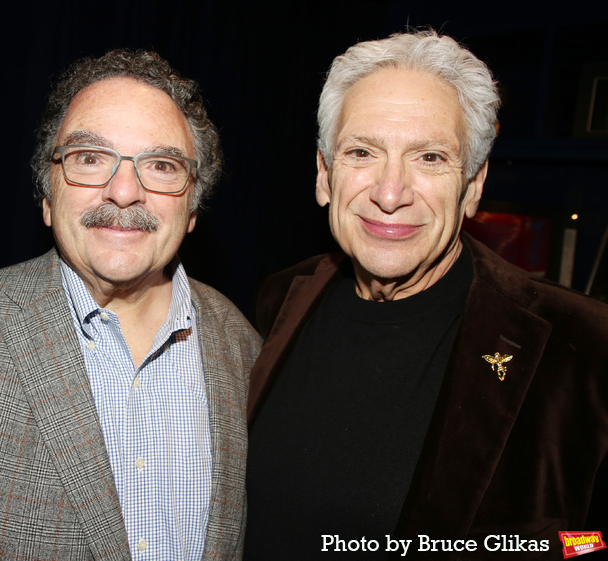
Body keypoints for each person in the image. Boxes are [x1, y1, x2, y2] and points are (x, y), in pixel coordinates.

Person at [244, 30, 608, 559]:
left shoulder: (585, 351)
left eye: (431, 157)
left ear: (474, 186)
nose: (390, 193)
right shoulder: (279, 301)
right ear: (325, 174)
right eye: (362, 152)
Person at [0, 49, 260, 561]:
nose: (122, 192)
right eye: (90, 158)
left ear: (192, 210)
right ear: (47, 196)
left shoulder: (247, 349)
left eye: (161, 165)